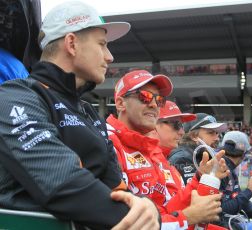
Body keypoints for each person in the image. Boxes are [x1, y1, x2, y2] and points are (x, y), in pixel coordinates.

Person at [0, 2, 160, 229]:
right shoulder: (15, 96)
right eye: (102, 45)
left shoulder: (89, 112)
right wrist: (143, 218)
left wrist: (148, 208)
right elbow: (61, 182)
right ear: (72, 44)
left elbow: (117, 189)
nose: (110, 56)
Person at [107, 70, 229, 229]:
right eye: (144, 96)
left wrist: (200, 178)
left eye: (159, 100)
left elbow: (165, 209)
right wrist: (187, 217)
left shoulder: (148, 151)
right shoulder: (107, 142)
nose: (153, 104)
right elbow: (125, 222)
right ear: (120, 103)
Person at [168, 112, 228, 184]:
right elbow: (191, 194)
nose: (217, 138)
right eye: (211, 133)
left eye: (217, 133)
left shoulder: (205, 156)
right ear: (194, 136)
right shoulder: (183, 159)